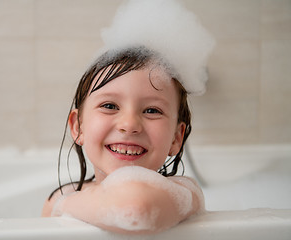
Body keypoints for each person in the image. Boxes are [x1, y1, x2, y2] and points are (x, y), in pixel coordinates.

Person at [42, 0, 214, 234]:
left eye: (152, 110)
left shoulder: (183, 190)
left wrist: (64, 205)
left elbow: (135, 209)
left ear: (176, 137)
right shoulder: (59, 197)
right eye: (110, 105)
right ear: (78, 127)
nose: (130, 124)